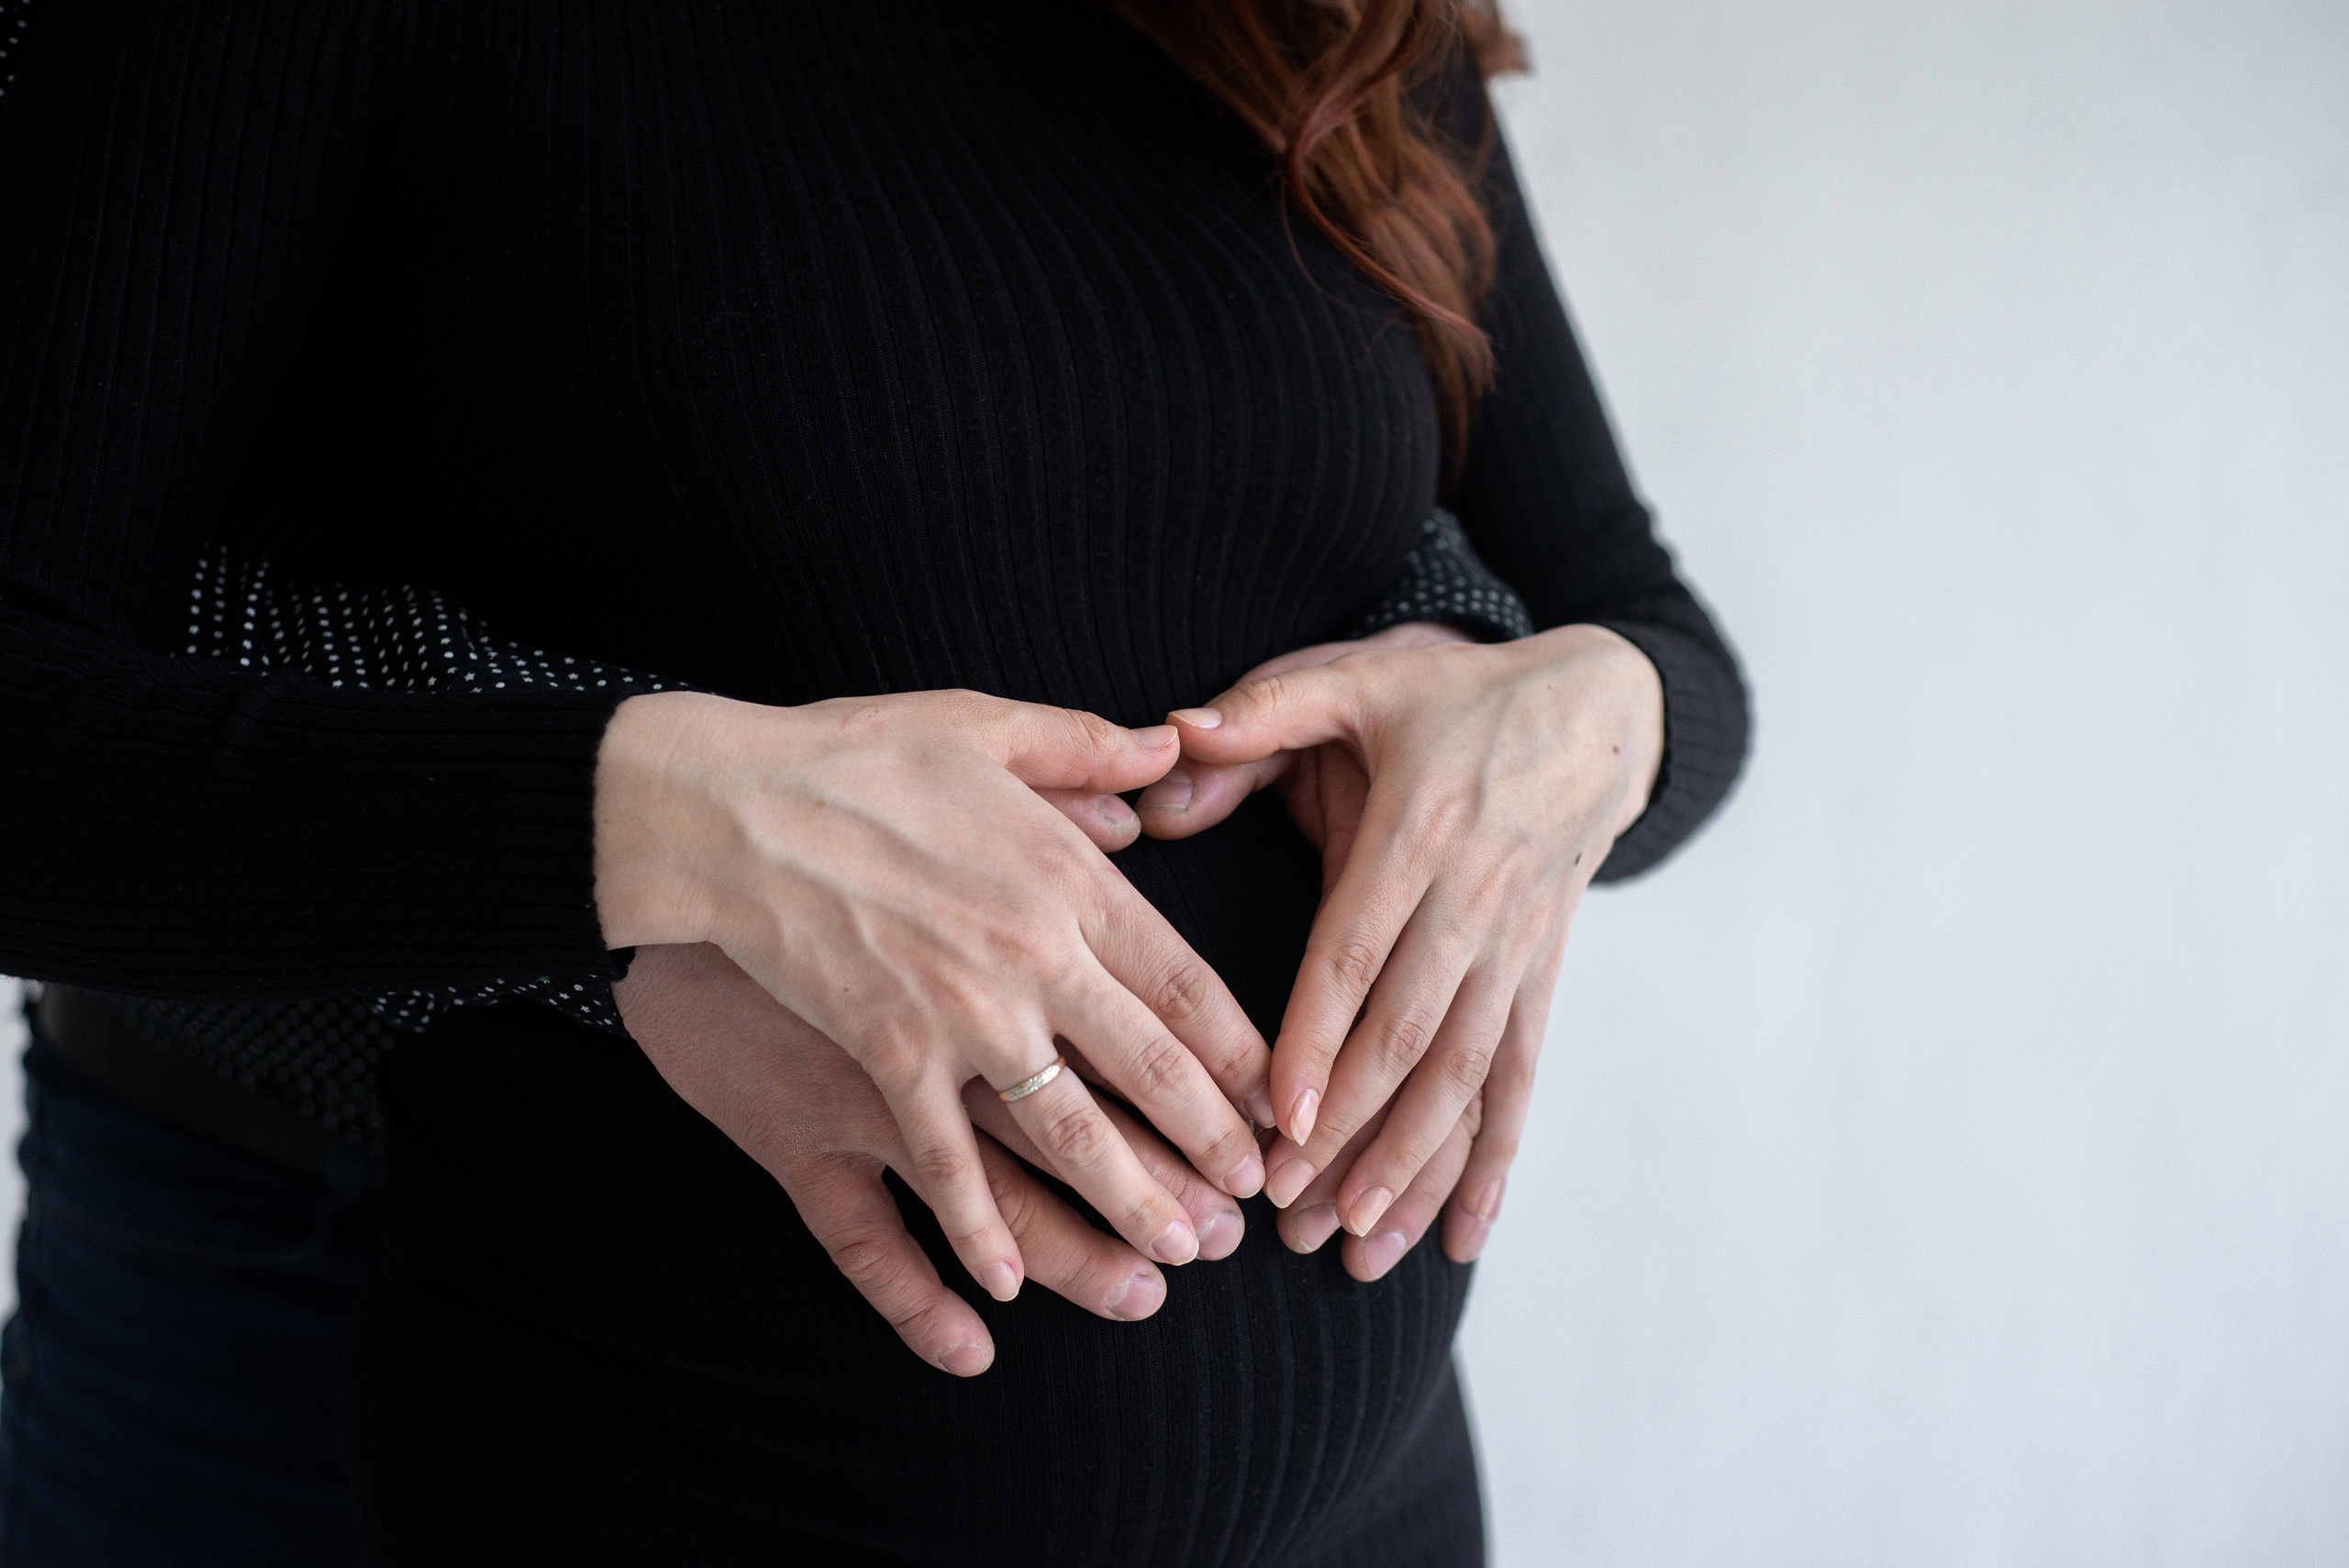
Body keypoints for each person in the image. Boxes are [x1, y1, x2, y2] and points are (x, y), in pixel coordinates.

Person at [0, 1, 1747, 1562]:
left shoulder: (1338, 23)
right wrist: (661, 825)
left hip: (1378, 1501)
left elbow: (1630, 613)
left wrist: (1590, 720)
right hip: (484, 1332)